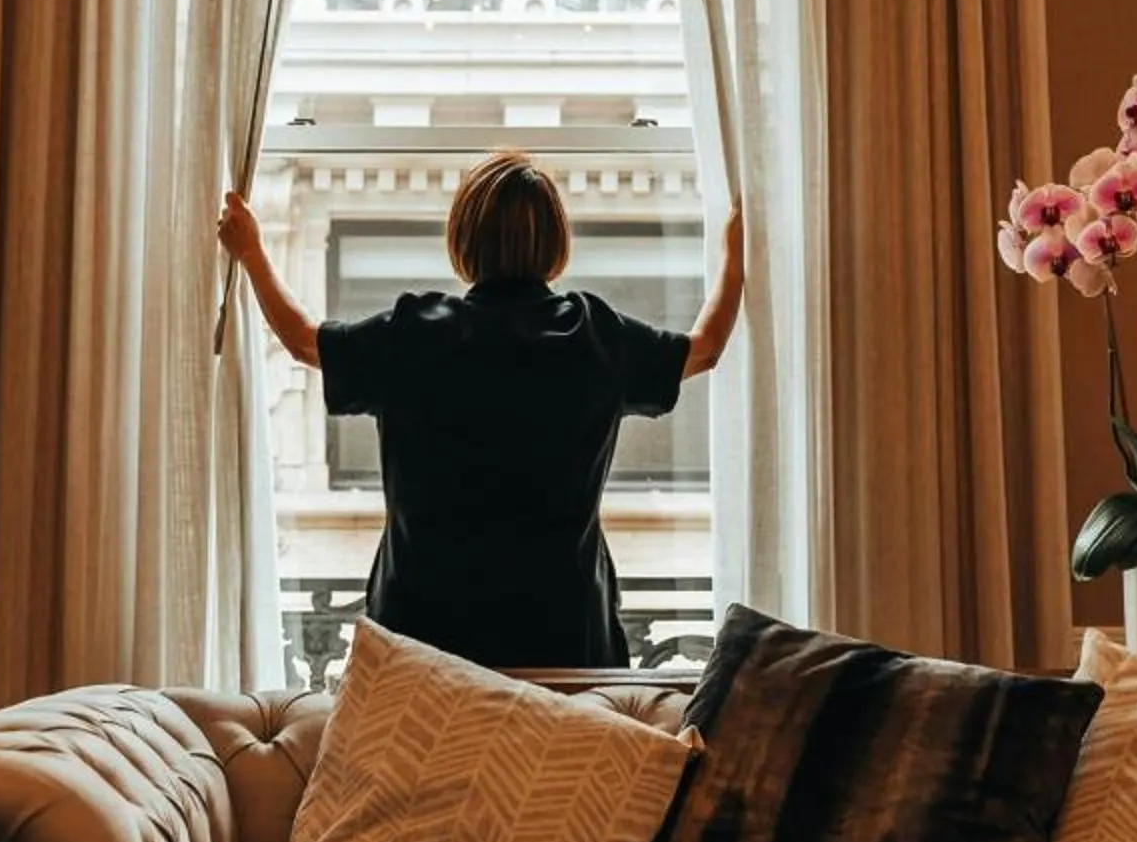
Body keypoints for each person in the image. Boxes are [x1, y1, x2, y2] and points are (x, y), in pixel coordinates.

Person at [218, 151, 745, 670]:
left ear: (463, 239)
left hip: (422, 637)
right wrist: (736, 253)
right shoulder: (594, 335)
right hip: (562, 632)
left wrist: (253, 253)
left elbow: (303, 341)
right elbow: (705, 348)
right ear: (556, 243)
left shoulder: (415, 332)